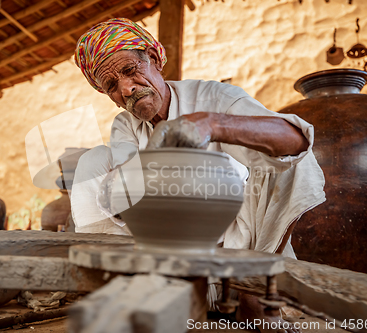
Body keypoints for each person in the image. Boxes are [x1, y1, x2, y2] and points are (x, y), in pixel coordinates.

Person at [71, 18, 325, 333]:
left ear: (152, 58)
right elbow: (125, 189)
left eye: (129, 70)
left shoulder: (212, 96)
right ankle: (126, 286)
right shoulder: (125, 125)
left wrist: (212, 124)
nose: (125, 89)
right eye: (111, 86)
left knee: (291, 163)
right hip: (167, 253)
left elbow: (296, 140)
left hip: (237, 246)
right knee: (93, 161)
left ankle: (254, 289)